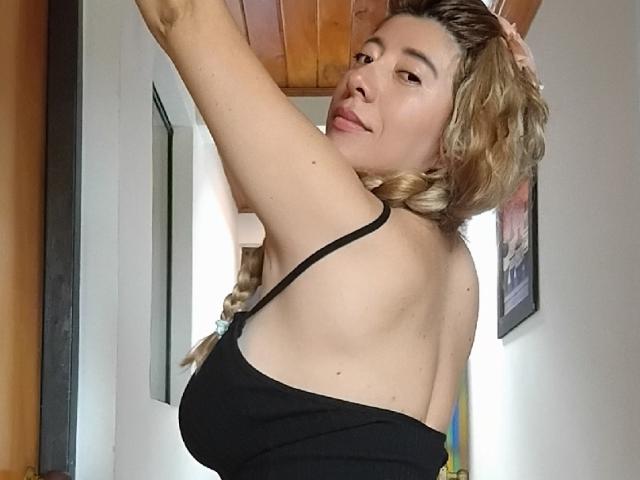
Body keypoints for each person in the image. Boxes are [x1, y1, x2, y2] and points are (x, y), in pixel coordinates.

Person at [135, 0, 548, 478]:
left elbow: (181, 13)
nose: (360, 79)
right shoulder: (459, 272)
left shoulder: (349, 227)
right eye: (365, 57)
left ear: (462, 131)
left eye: (409, 75)